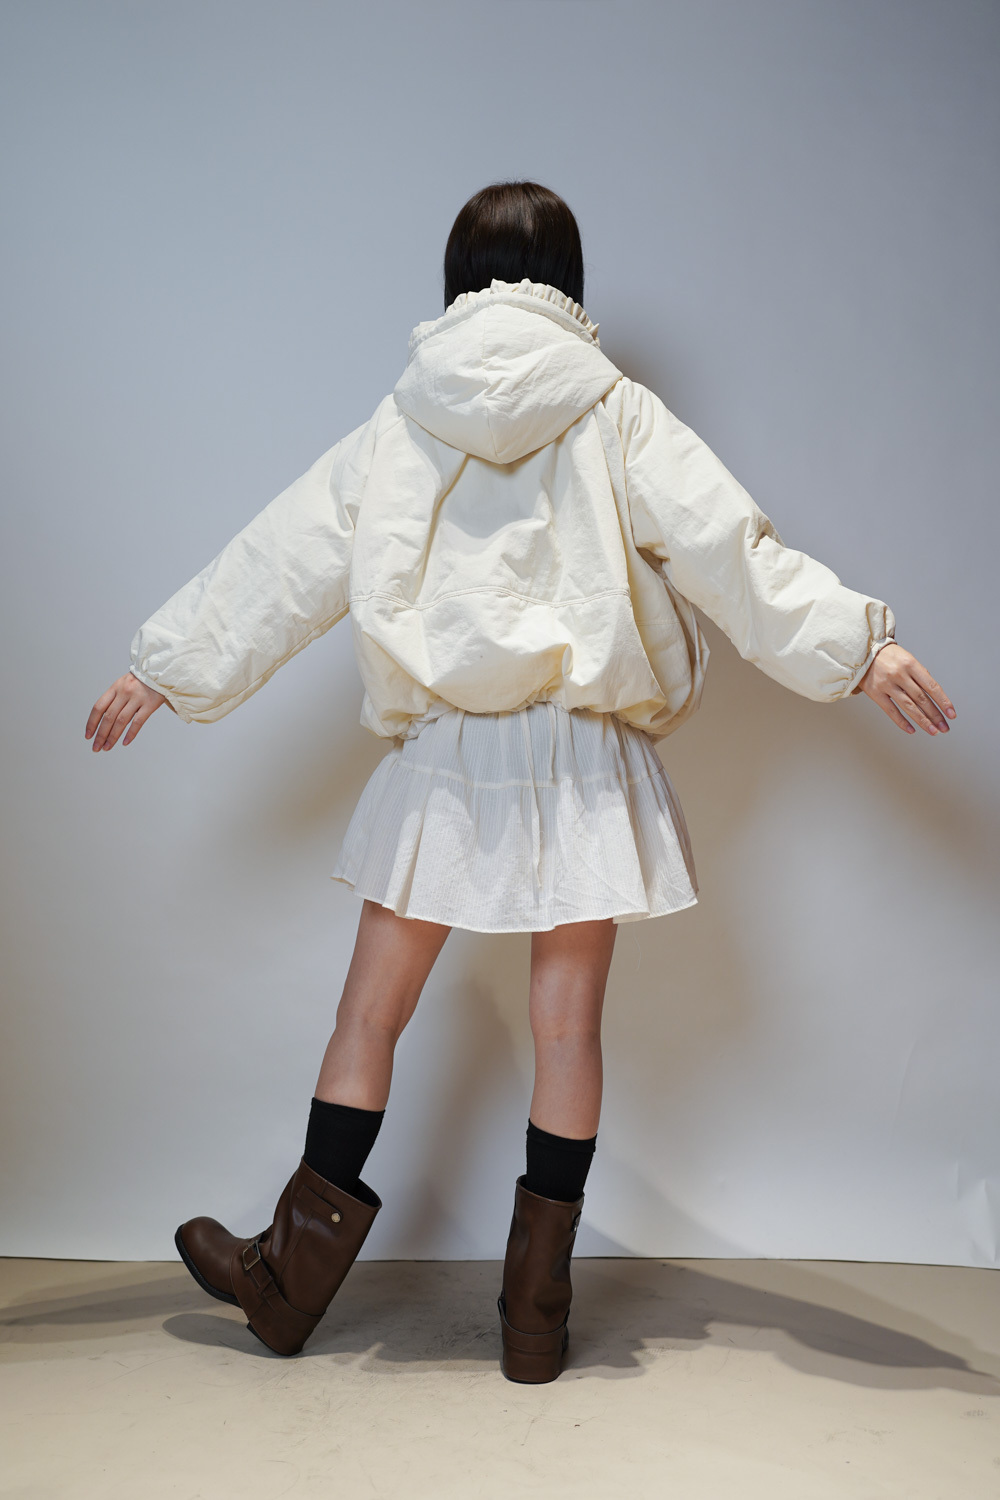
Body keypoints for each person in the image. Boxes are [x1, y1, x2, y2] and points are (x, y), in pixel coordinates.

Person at [85, 180, 955, 1382]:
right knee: (567, 1031)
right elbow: (732, 549)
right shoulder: (618, 411)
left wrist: (165, 666)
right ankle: (534, 1321)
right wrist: (859, 648)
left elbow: (283, 561)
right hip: (585, 760)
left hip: (448, 757)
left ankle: (285, 1288)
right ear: (568, 283)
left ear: (456, 279)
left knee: (367, 1017)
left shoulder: (404, 417)